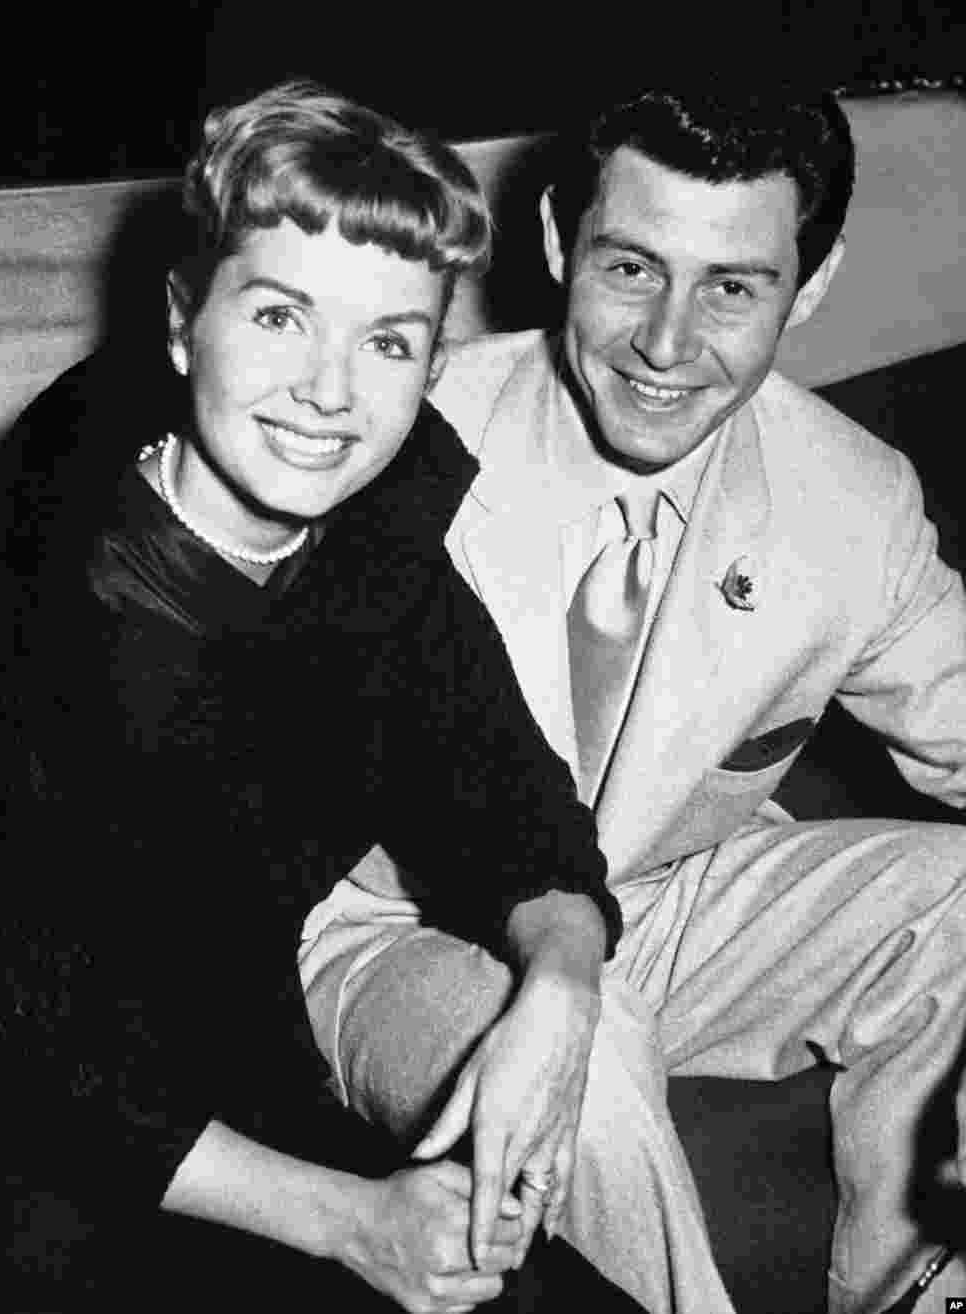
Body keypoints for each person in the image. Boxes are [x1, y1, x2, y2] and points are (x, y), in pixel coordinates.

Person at [0, 80, 625, 1310]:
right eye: (279, 315)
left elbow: (508, 797)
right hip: (11, 1179)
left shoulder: (371, 552)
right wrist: (351, 1221)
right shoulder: (17, 596)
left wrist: (563, 980)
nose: (329, 390)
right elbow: (0, 1048)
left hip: (250, 1105)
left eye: (387, 341)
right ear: (179, 321)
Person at [299, 85, 966, 1314]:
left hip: (670, 899)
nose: (666, 342)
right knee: (572, 1058)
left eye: (732, 287)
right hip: (411, 926)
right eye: (630, 268)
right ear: (558, 244)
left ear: (806, 291)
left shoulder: (852, 500)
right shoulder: (390, 436)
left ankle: (912, 1288)